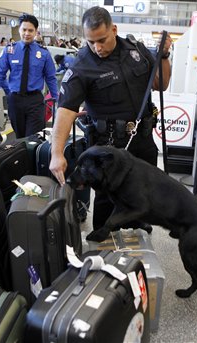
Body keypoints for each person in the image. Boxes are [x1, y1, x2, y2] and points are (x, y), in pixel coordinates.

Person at [48, 6, 172, 234]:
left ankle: (137, 227)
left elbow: (160, 84)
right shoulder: (82, 65)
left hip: (142, 140)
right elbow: (65, 110)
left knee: (142, 190)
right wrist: (57, 153)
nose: (97, 48)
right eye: (91, 42)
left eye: (102, 40)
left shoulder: (137, 51)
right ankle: (104, 241)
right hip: (108, 146)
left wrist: (163, 56)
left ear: (114, 30)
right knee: (107, 197)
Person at [0, 13, 58, 138]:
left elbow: (51, 78)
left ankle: (32, 157)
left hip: (35, 101)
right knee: (19, 138)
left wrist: (57, 100)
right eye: (24, 29)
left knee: (33, 138)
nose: (27, 33)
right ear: (19, 29)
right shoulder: (10, 50)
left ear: (36, 31)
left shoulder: (43, 53)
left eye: (31, 30)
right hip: (15, 100)